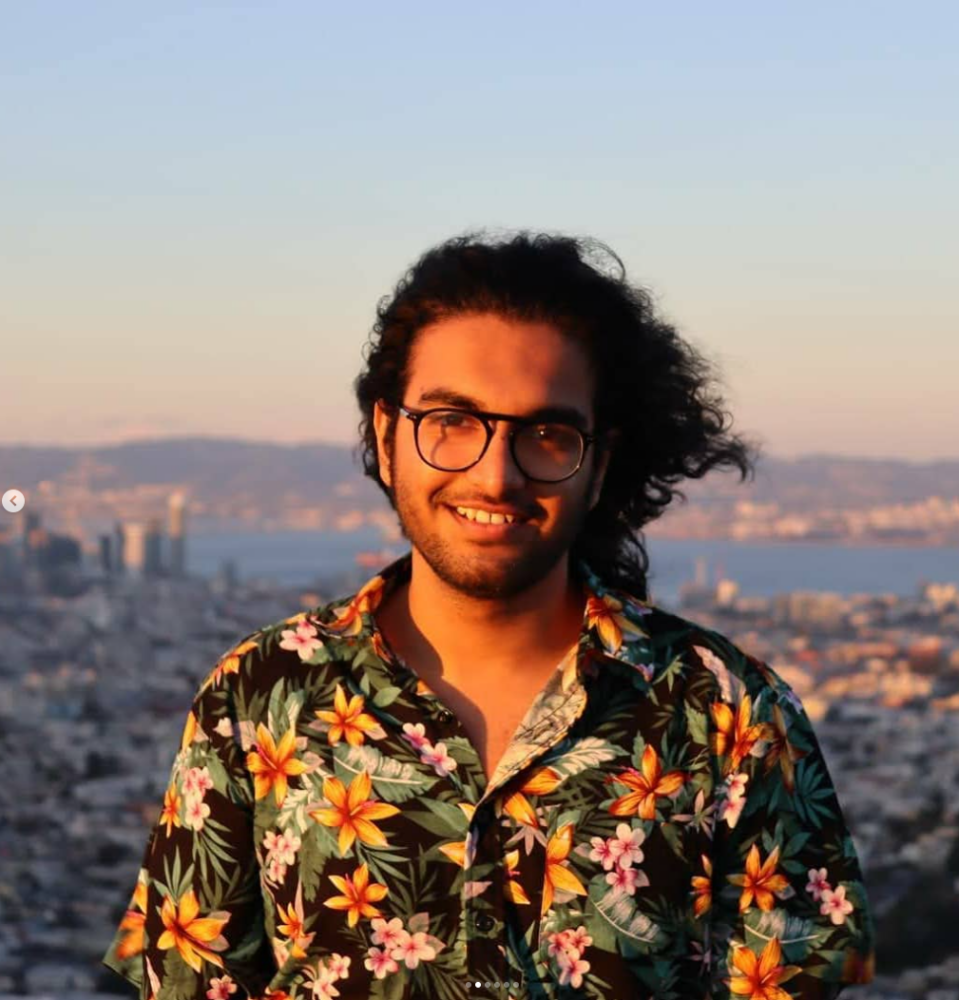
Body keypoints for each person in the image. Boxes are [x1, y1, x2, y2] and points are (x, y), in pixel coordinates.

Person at [104, 232, 875, 1000]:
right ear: (385, 433)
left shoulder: (729, 714)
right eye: (451, 421)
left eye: (545, 434)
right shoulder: (259, 695)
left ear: (598, 464)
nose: (494, 474)